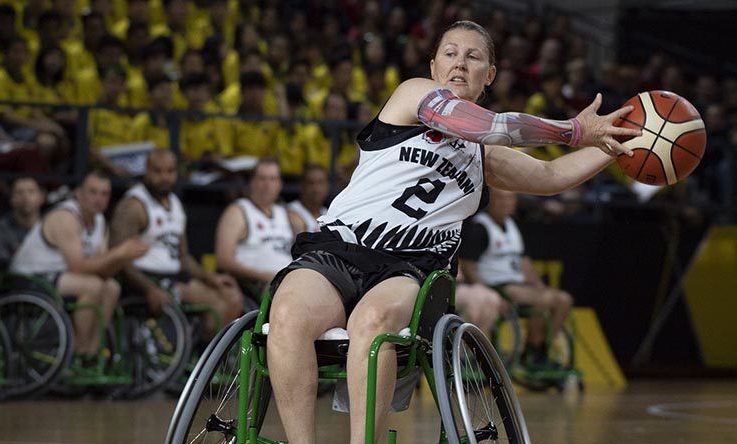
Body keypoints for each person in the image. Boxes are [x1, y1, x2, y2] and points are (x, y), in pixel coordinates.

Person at [266, 20, 639, 444]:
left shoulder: (486, 155)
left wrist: (616, 146)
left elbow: (552, 173)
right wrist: (571, 131)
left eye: (473, 56)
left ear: (490, 75)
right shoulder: (413, 94)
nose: (459, 63)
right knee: (287, 314)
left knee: (374, 322)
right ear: (433, 64)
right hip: (342, 246)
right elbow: (488, 125)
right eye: (450, 53)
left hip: (409, 268)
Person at [10, 171, 149, 362]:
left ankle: (92, 353)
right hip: (29, 277)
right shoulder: (65, 217)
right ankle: (78, 352)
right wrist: (117, 253)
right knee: (92, 286)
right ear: (79, 194)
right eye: (93, 192)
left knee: (111, 287)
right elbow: (79, 266)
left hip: (63, 277)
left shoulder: (100, 221)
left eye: (104, 194)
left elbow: (103, 270)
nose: (98, 199)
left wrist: (124, 257)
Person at [110, 151, 243, 335]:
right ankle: (203, 356)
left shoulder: (175, 204)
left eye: (170, 171)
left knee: (233, 298)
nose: (164, 177)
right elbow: (118, 259)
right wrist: (149, 288)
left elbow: (184, 258)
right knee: (218, 304)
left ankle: (201, 350)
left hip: (174, 278)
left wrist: (210, 278)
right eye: (158, 171)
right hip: (145, 279)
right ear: (147, 171)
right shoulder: (134, 206)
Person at [459, 188, 574, 368]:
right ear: (491, 202)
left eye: (510, 199)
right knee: (544, 301)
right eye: (502, 199)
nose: (507, 203)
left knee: (563, 300)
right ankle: (533, 351)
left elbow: (525, 263)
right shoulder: (480, 227)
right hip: (498, 286)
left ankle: (540, 348)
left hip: (519, 285)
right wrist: (486, 291)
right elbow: (468, 266)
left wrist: (539, 286)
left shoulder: (513, 226)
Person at [215, 157, 305, 297]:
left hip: (288, 279)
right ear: (252, 182)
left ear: (280, 184)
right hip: (256, 284)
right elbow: (224, 261)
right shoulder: (238, 211)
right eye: (262, 178)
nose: (267, 184)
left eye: (272, 179)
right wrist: (264, 275)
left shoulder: (287, 214)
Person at [0, 177, 45, 259]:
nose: (26, 197)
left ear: (41, 197)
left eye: (31, 191)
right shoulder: (0, 229)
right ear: (12, 199)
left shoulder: (51, 227)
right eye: (19, 192)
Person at [287, 164, 329, 233]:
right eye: (311, 183)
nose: (316, 189)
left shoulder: (329, 214)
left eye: (321, 183)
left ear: (327, 186)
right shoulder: (289, 211)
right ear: (302, 186)